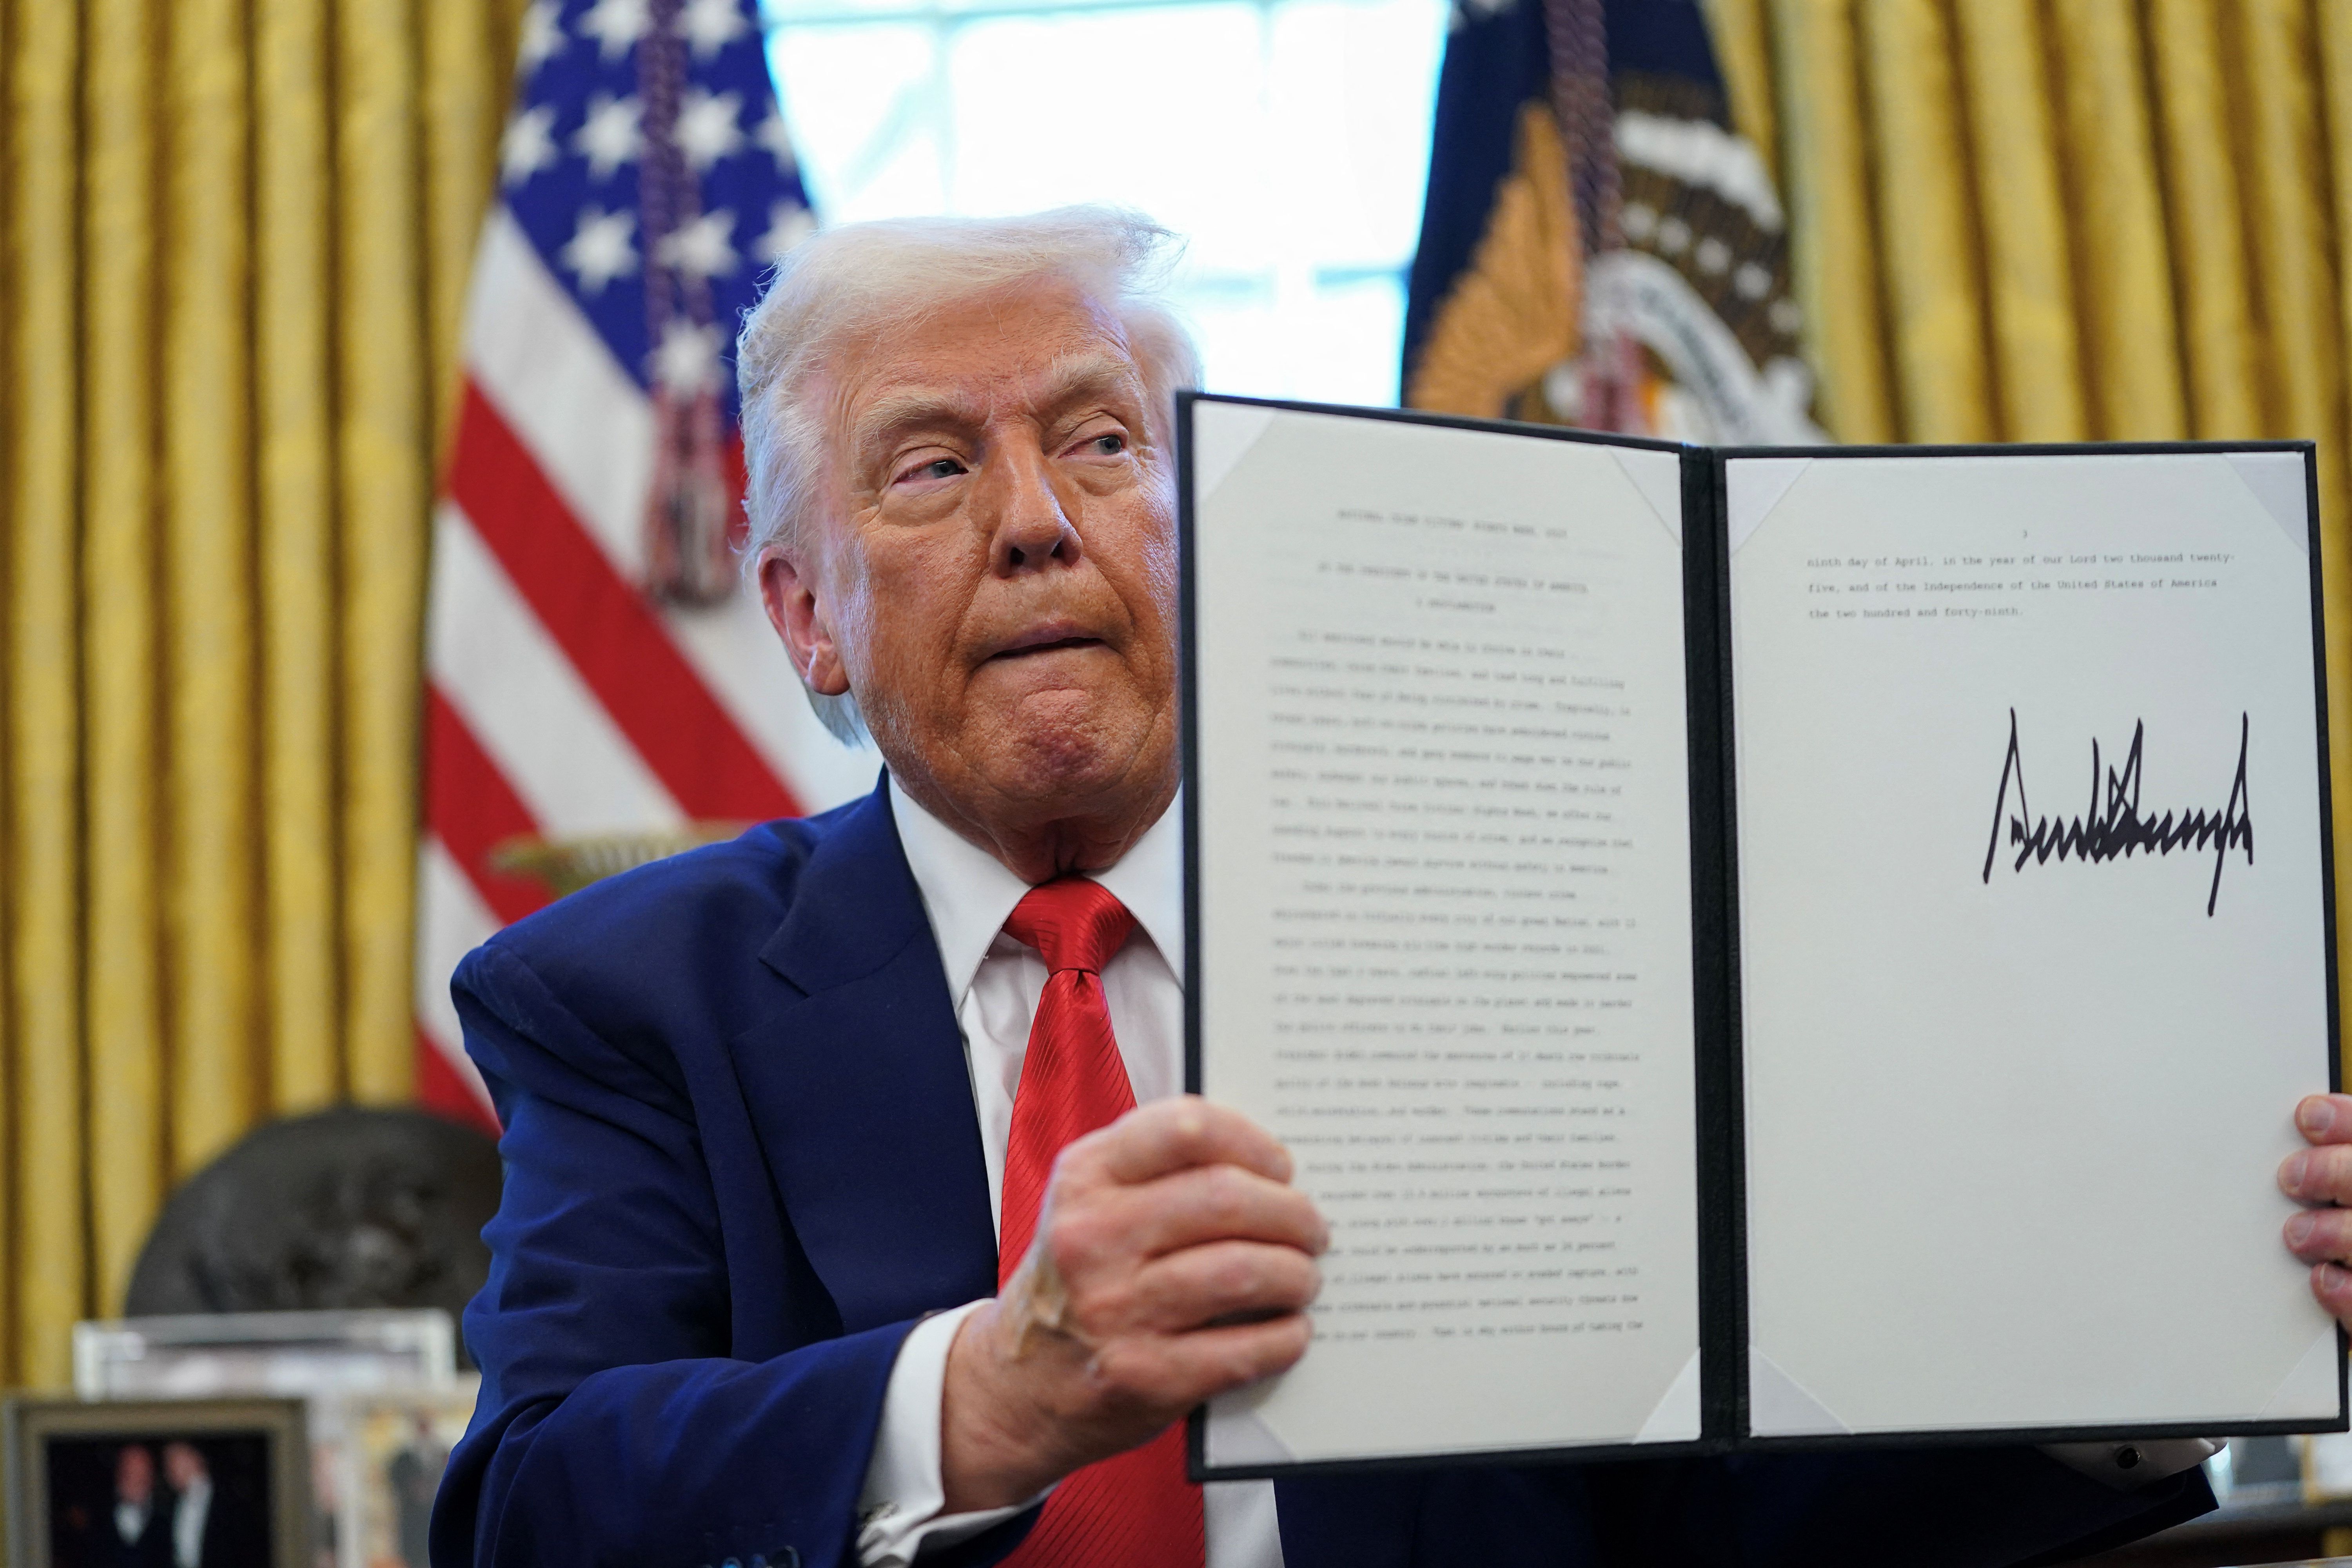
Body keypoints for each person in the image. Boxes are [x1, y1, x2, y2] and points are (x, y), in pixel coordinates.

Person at [428, 206, 2342, 1568]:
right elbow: (531, 1503)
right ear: (804, 621)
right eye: (929, 469)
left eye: (1103, 441)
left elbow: (1711, 1508)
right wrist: (989, 1396)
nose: (1034, 520)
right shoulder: (626, 996)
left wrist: (2159, 1338)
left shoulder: (1521, 923)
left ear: (1216, 533)